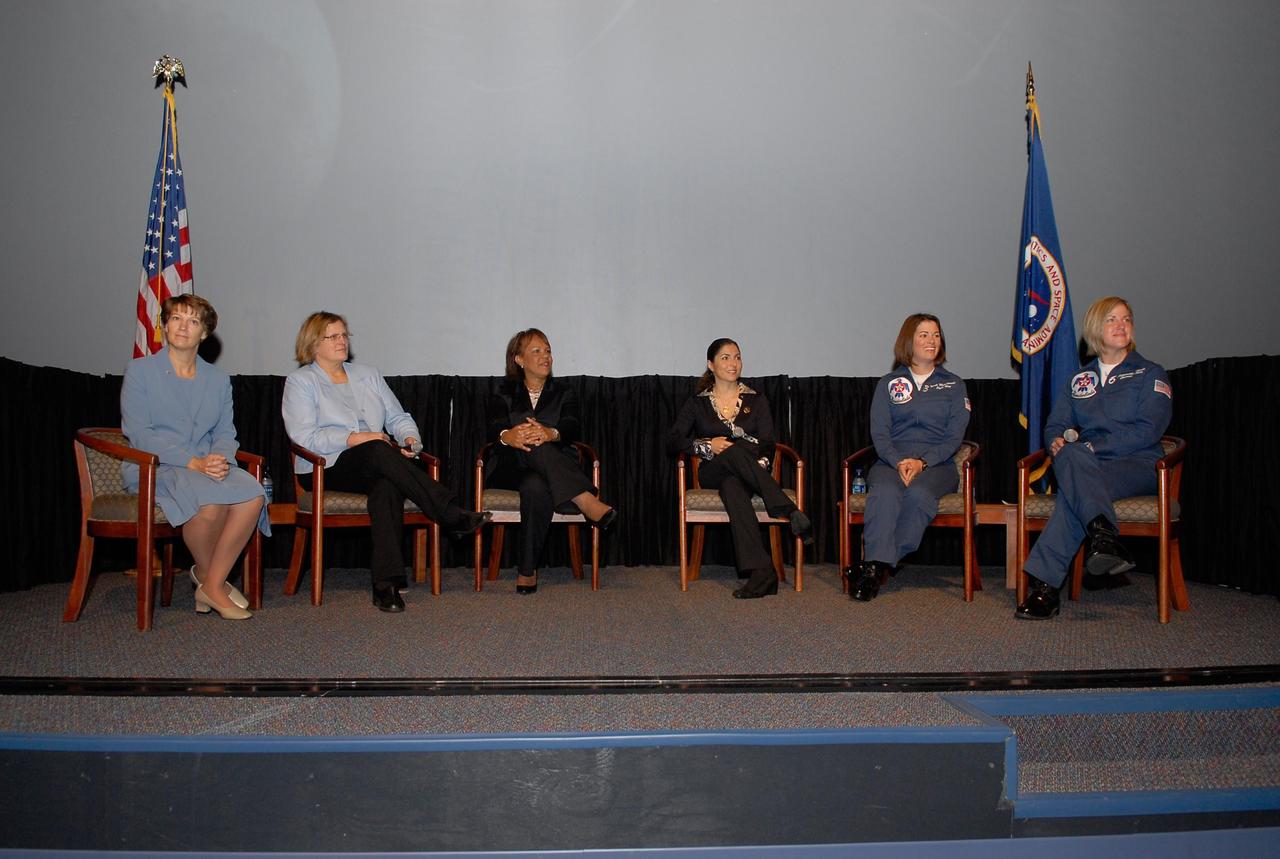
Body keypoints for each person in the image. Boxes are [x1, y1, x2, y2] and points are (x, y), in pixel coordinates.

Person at [281, 312, 488, 612]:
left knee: (386, 485)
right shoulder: (301, 382)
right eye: (333, 336)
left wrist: (409, 441)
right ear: (313, 343)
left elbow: (397, 417)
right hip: (326, 467)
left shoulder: (368, 374)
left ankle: (386, 585)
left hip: (376, 462)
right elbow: (304, 436)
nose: (342, 341)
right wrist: (357, 438)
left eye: (344, 335)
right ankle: (450, 513)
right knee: (377, 449)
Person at [1016, 296, 1173, 620]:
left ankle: (1045, 588)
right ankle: (1102, 535)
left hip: (1140, 464)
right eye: (1112, 320)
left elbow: (1149, 430)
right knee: (1074, 466)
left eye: (1126, 319)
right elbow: (1055, 425)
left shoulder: (1149, 373)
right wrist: (1056, 441)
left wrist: (1092, 449)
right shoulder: (1079, 380)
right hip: (1088, 466)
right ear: (1094, 330)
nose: (1121, 325)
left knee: (1075, 487)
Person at [121, 294, 268, 621]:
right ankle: (212, 582)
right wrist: (193, 462)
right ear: (165, 325)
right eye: (175, 318)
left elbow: (226, 431)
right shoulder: (141, 371)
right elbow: (139, 432)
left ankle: (210, 583)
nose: (182, 326)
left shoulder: (217, 379)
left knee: (253, 495)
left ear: (204, 333)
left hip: (206, 465)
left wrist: (219, 457)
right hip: (155, 465)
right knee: (211, 503)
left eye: (192, 321)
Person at [665, 338, 813, 599]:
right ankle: (787, 509)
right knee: (733, 451)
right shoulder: (698, 402)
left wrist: (760, 464)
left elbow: (768, 442)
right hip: (712, 470)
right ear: (710, 364)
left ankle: (762, 573)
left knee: (733, 487)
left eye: (737, 357)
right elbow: (673, 440)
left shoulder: (756, 399)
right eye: (725, 357)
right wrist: (707, 444)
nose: (733, 363)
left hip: (751, 472)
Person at [849, 313, 970, 602]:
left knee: (918, 495)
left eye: (936, 335)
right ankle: (877, 566)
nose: (931, 341)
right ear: (909, 341)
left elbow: (954, 437)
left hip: (937, 464)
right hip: (892, 461)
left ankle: (876, 565)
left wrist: (923, 461)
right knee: (885, 493)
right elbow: (879, 433)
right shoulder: (888, 383)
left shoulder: (954, 385)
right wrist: (898, 460)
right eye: (924, 335)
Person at [485, 328, 616, 594]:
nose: (545, 356)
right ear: (519, 360)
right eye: (536, 351)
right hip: (511, 467)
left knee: (536, 484)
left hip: (548, 470)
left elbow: (571, 424)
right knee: (532, 442)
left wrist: (550, 433)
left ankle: (526, 570)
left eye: (548, 351)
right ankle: (584, 499)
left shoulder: (564, 392)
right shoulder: (503, 391)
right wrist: (507, 435)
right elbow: (492, 426)